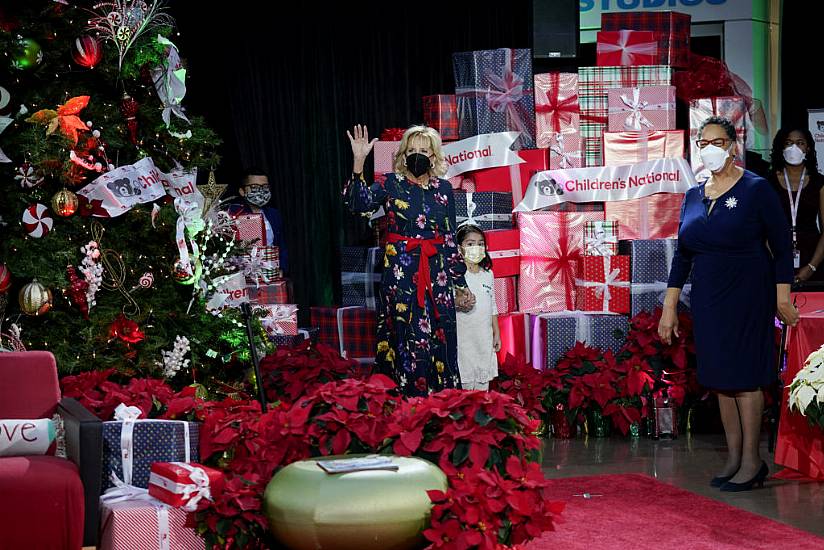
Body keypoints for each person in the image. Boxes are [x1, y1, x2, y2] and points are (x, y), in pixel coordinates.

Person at [659, 116, 799, 492]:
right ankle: (735, 457)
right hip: (707, 297)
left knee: (744, 378)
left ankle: (753, 461)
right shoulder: (694, 195)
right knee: (720, 380)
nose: (710, 148)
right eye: (704, 141)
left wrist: (782, 296)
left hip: (748, 291)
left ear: (734, 146)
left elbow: (783, 246)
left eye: (718, 141)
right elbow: (682, 255)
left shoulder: (756, 189)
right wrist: (670, 304)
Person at [344, 124, 474, 396]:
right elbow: (358, 204)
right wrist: (359, 162)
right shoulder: (390, 183)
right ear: (403, 155)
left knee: (442, 336)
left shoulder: (445, 189)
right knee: (407, 336)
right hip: (401, 275)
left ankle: (443, 404)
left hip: (437, 275)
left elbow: (450, 237)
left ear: (434, 156)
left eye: (424, 151)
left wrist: (460, 282)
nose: (417, 155)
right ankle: (406, 404)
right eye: (412, 150)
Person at [766, 128, 824, 282]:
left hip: (813, 260)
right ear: (781, 148)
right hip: (775, 258)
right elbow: (762, 228)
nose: (794, 148)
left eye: (800, 143)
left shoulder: (819, 183)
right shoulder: (767, 182)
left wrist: (812, 266)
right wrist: (776, 263)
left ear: (808, 148)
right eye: (788, 143)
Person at [455, 224, 501, 390]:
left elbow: (492, 305)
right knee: (465, 386)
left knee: (482, 390)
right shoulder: (456, 276)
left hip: (484, 338)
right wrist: (459, 303)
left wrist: (496, 332)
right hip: (463, 339)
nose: (477, 247)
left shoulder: (488, 274)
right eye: (470, 244)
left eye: (481, 243)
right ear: (459, 248)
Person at [227, 168, 288, 277]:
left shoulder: (274, 214)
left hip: (270, 273)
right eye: (254, 187)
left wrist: (282, 268)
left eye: (265, 187)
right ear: (242, 191)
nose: (261, 191)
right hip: (242, 276)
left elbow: (281, 245)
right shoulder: (233, 214)